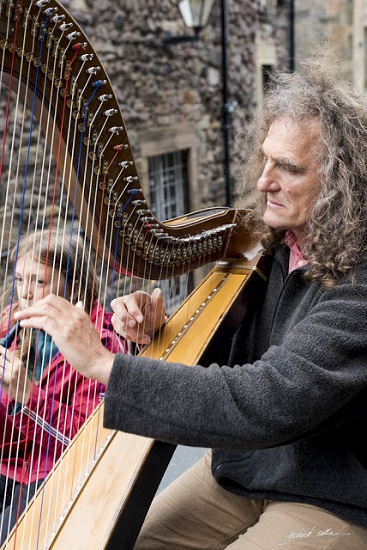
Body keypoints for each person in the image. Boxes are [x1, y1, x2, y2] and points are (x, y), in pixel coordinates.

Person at [13, 51, 367, 549]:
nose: (264, 180)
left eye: (287, 168)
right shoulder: (271, 246)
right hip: (243, 468)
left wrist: (103, 364)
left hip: (329, 490)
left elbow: (267, 399)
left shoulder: (359, 286)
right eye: (265, 158)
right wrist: (158, 331)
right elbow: (229, 357)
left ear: (339, 183)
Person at [0, 229, 127, 544]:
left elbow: (86, 444)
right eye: (18, 280)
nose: (24, 293)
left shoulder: (105, 342)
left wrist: (27, 397)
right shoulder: (10, 323)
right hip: (12, 460)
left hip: (55, 471)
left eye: (38, 281)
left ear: (75, 286)